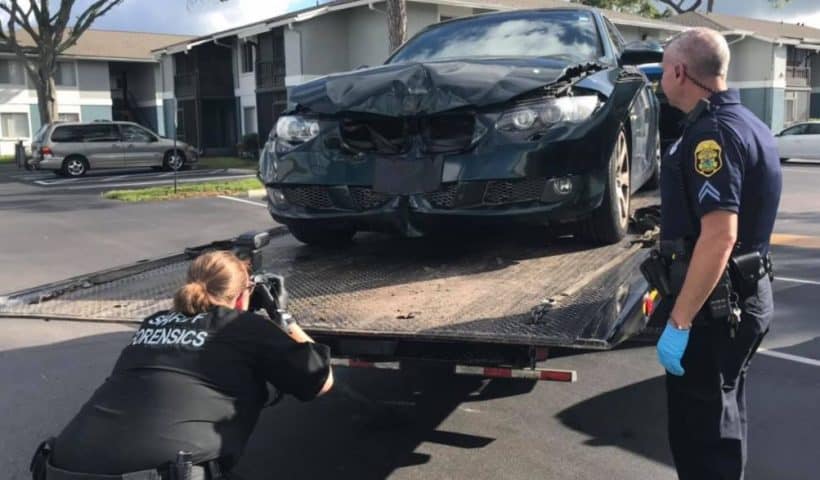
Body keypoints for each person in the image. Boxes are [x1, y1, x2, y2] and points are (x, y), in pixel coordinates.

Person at [30, 250, 333, 479]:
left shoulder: (153, 322)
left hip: (60, 467)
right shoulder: (243, 326)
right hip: (153, 474)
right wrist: (281, 316)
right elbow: (321, 380)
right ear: (243, 296)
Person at [654, 27, 781, 479]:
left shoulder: (712, 136)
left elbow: (719, 236)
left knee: (701, 438)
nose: (662, 79)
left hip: (715, 311)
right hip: (745, 296)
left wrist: (679, 321)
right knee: (725, 422)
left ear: (680, 71)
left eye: (665, 69)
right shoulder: (748, 123)